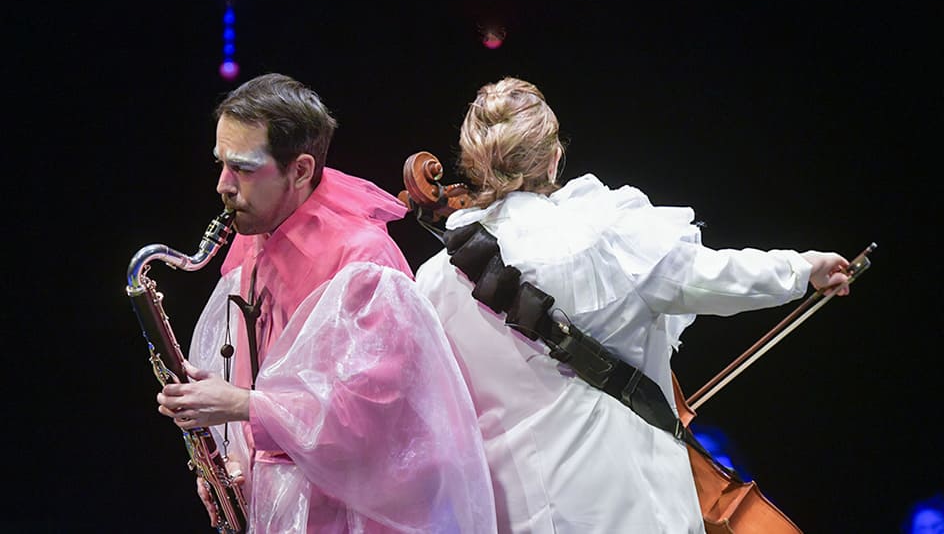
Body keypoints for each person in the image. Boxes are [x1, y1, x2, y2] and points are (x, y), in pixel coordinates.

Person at [413, 76, 853, 533]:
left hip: (513, 517)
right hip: (626, 505)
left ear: (476, 163)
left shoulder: (435, 280)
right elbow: (714, 277)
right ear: (554, 156)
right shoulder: (598, 232)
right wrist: (802, 268)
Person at [155, 73, 495, 533]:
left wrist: (243, 405)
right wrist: (230, 462)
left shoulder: (364, 262)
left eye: (244, 168)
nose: (223, 185)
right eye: (221, 164)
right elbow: (258, 385)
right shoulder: (255, 241)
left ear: (300, 170)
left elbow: (372, 418)